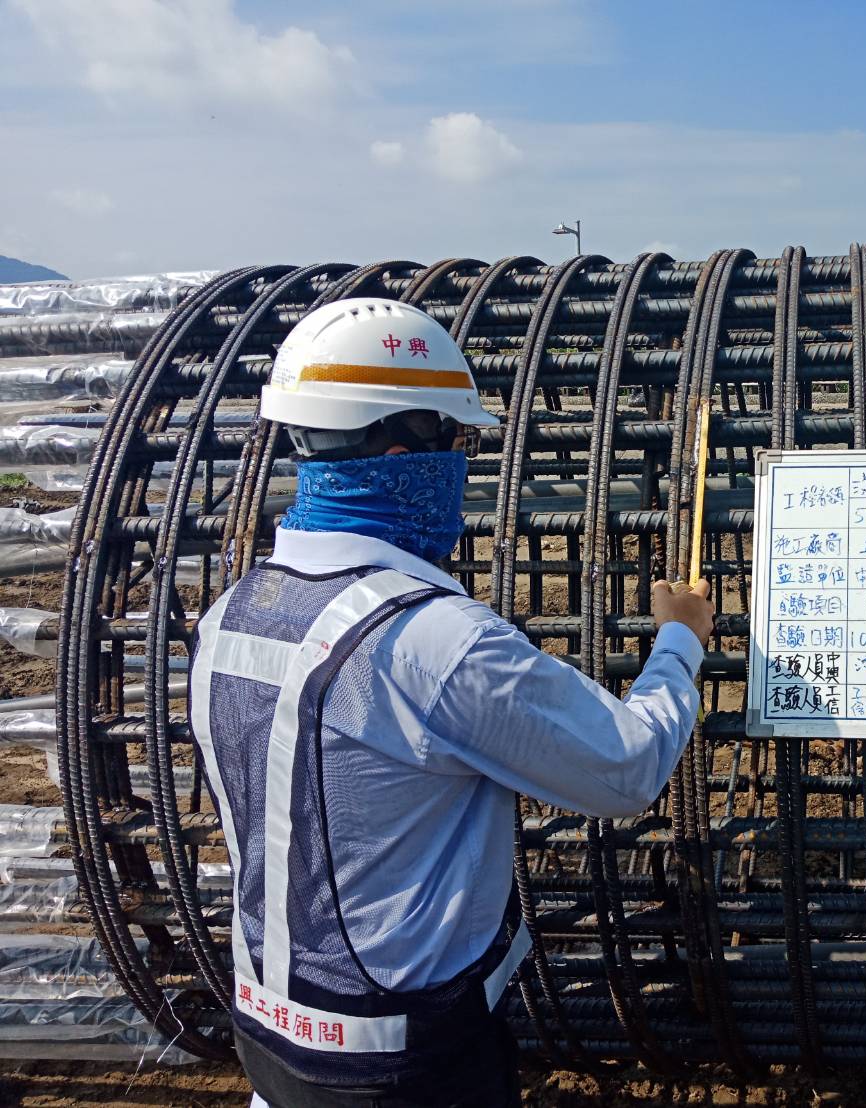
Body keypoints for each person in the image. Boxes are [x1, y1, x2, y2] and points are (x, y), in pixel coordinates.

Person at [188, 298, 715, 1107]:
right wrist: (680, 641)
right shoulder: (432, 639)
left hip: (268, 1029)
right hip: (406, 1062)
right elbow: (626, 768)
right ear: (408, 451)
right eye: (459, 442)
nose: (465, 467)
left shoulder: (231, 613)